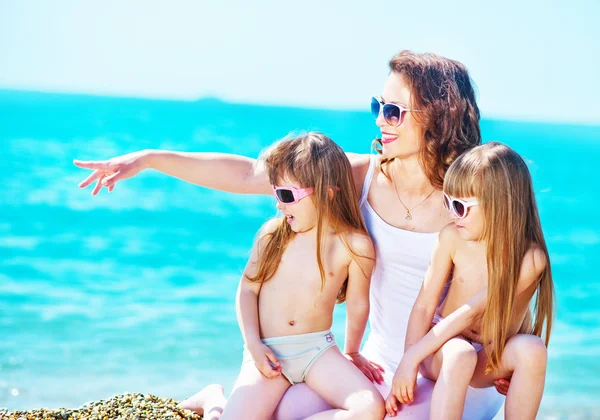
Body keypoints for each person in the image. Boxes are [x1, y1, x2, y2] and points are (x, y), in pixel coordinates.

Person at [74, 50, 510, 418]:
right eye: (378, 106)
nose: (381, 120)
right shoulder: (360, 175)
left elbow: (511, 277)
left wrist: (508, 352)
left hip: (446, 375)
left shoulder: (473, 196)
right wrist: (151, 159)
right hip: (378, 366)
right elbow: (249, 173)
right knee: (286, 410)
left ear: (438, 115)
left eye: (394, 111)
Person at [189, 132, 385, 420]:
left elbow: (358, 305)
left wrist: (352, 352)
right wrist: (253, 346)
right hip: (268, 353)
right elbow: (247, 291)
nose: (278, 204)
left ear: (327, 193)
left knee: (370, 408)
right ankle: (213, 401)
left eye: (287, 195)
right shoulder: (273, 235)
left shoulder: (355, 245)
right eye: (275, 192)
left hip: (318, 351)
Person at [385, 142, 555, 420]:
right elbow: (424, 307)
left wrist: (514, 370)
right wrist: (409, 362)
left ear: (501, 204)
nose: (452, 214)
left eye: (461, 207)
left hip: (486, 354)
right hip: (443, 349)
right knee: (460, 354)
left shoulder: (530, 259)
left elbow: (481, 311)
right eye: (448, 202)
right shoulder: (452, 238)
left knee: (532, 350)